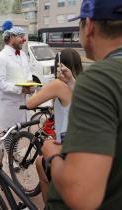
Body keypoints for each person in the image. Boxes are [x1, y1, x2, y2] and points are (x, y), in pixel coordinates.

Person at [42, 0, 122, 209]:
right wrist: (73, 82)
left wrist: (52, 156)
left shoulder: (100, 79)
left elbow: (81, 194)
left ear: (90, 26)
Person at [25, 48, 83, 202]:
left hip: (66, 145)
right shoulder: (82, 82)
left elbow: (30, 104)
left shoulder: (58, 84)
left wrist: (30, 90)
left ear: (59, 65)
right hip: (82, 143)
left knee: (39, 163)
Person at [0, 20, 33, 153]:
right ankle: (11, 158)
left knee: (17, 131)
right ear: (10, 38)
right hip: (9, 104)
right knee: (10, 132)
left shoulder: (22, 54)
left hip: (22, 102)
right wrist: (20, 89)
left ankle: (13, 154)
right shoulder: (0, 58)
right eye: (20, 37)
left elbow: (28, 73)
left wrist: (30, 84)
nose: (24, 40)